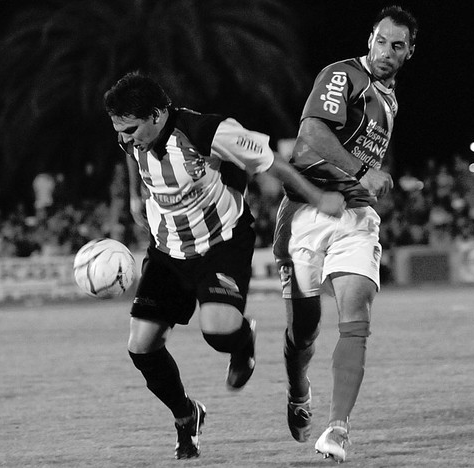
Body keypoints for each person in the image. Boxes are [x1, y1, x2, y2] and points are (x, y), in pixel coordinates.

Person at [103, 71, 344, 460]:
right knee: (142, 347)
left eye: (131, 129)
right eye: (120, 132)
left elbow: (271, 162)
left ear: (158, 115)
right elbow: (130, 154)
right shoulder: (134, 137)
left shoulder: (210, 132)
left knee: (216, 333)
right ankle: (186, 415)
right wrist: (135, 198)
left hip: (221, 243)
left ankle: (241, 342)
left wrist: (319, 199)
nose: (126, 139)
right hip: (168, 250)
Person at [273, 6, 418, 462]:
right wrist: (364, 169)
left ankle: (337, 429)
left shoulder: (391, 99)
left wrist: (366, 182)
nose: (386, 52)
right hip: (305, 213)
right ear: (370, 38)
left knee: (355, 312)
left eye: (398, 46)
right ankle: (299, 388)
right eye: (381, 41)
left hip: (355, 216)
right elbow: (311, 134)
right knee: (304, 333)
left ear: (410, 52)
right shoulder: (343, 75)